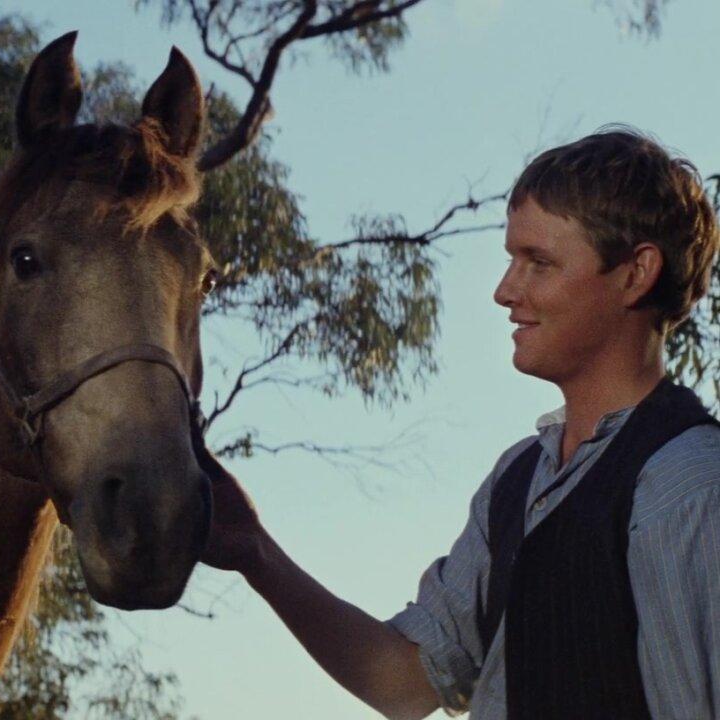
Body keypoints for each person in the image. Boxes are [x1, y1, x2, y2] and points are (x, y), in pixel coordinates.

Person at [199, 127, 720, 720]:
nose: (505, 291)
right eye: (511, 260)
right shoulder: (520, 477)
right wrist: (253, 552)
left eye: (539, 263)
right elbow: (405, 683)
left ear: (635, 273)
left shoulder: (685, 484)